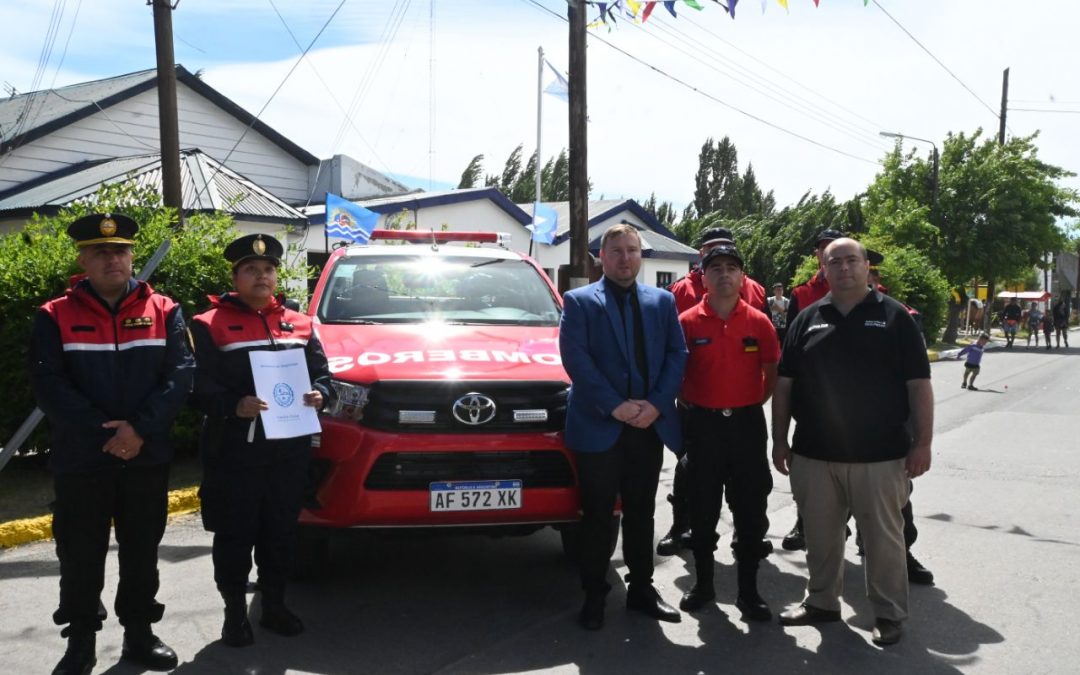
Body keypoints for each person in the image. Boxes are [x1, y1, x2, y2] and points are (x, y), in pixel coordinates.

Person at [30, 213, 195, 674]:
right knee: (80, 555)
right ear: (82, 260)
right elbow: (49, 386)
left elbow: (180, 376)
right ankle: (80, 640)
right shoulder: (53, 315)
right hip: (83, 459)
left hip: (145, 456)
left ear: (131, 256)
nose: (112, 259)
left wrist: (138, 430)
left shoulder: (165, 310)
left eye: (120, 250)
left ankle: (139, 635)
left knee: (142, 552)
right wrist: (109, 434)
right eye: (100, 252)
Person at [772, 238, 933, 647]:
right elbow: (784, 385)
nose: (843, 268)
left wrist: (923, 443)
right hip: (814, 453)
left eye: (851, 261)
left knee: (883, 541)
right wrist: (779, 439)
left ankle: (889, 614)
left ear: (866, 266)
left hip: (880, 456)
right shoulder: (806, 319)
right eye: (835, 262)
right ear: (823, 269)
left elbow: (919, 385)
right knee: (821, 538)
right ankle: (822, 602)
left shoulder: (895, 317)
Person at [189, 234, 331, 647]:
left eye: (268, 269)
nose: (261, 276)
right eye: (251, 269)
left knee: (281, 530)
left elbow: (323, 374)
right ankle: (234, 613)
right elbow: (196, 385)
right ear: (235, 277)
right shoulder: (208, 324)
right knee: (235, 533)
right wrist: (233, 405)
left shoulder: (301, 322)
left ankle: (274, 605)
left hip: (289, 449)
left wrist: (322, 394)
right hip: (236, 449)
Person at [559, 223, 688, 630]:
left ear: (640, 255)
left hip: (647, 425)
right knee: (598, 515)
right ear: (602, 256)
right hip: (600, 425)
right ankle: (594, 594)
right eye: (616, 251)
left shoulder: (662, 301)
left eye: (632, 250)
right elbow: (576, 359)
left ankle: (642, 590)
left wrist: (656, 404)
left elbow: (677, 354)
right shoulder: (579, 301)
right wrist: (614, 406)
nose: (625, 258)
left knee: (641, 512)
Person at [676, 244, 779, 621]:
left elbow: (771, 374)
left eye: (731, 268)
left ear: (742, 277)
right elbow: (675, 375)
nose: (724, 274)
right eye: (715, 267)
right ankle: (704, 585)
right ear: (703, 277)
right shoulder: (687, 321)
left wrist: (745, 402)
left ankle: (748, 592)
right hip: (703, 427)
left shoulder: (759, 322)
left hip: (746, 426)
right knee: (702, 509)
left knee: (751, 511)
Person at [659, 226, 767, 558]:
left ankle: (746, 533)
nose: (719, 254)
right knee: (689, 470)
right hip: (695, 402)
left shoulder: (753, 288)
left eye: (726, 247)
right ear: (701, 254)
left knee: (746, 476)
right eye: (711, 249)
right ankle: (682, 526)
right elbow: (672, 342)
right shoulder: (681, 289)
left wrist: (758, 395)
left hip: (741, 404)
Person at [780, 228, 841, 552]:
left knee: (873, 478)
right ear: (817, 255)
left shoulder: (873, 290)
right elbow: (791, 352)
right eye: (823, 248)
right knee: (810, 472)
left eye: (834, 246)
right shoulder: (802, 294)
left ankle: (883, 540)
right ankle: (804, 523)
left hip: (861, 404)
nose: (828, 253)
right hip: (815, 402)